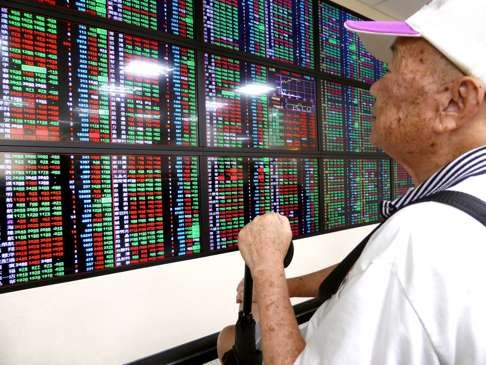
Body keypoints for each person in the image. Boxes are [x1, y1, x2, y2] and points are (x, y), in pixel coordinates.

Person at [218, 0, 486, 363]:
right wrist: (290, 286)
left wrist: (266, 266)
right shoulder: (460, 209)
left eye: (393, 69)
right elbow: (375, 268)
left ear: (455, 102)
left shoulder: (421, 236)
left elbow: (398, 264)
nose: (376, 87)